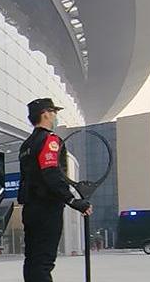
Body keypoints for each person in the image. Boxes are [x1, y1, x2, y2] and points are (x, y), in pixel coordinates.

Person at [18, 98, 93, 282]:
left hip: (30, 208)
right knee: (44, 261)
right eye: (53, 112)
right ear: (45, 114)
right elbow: (51, 172)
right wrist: (73, 200)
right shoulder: (50, 140)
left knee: (33, 260)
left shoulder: (26, 145)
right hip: (47, 207)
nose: (55, 116)